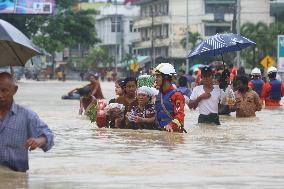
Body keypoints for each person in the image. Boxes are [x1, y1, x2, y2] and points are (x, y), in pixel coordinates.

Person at [0, 72, 54, 172]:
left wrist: (39, 141)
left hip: (15, 180)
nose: (0, 95)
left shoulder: (26, 115)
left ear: (14, 90)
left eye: (4, 90)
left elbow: (49, 136)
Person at [154, 63, 185, 133]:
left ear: (166, 77)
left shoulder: (177, 95)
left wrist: (171, 125)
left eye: (158, 76)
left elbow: (180, 116)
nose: (155, 79)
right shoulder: (159, 94)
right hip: (160, 133)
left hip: (172, 135)